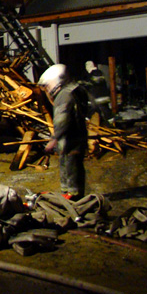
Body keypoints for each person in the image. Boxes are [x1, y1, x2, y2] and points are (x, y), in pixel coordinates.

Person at [38, 64, 89, 201]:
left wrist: (54, 139)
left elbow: (62, 119)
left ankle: (73, 196)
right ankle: (69, 192)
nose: (47, 90)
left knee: (71, 167)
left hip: (71, 140)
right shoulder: (69, 92)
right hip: (73, 139)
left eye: (47, 86)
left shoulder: (63, 96)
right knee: (69, 165)